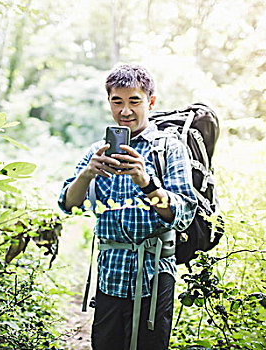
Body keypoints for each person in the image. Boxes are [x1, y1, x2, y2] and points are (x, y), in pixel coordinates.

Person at [58, 64, 197, 350]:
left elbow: (179, 214)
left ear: (151, 102)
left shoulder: (168, 149)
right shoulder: (96, 151)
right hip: (110, 273)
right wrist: (87, 173)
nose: (125, 111)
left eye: (135, 101)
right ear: (108, 102)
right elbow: (67, 204)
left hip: (154, 272)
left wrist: (146, 182)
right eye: (117, 101)